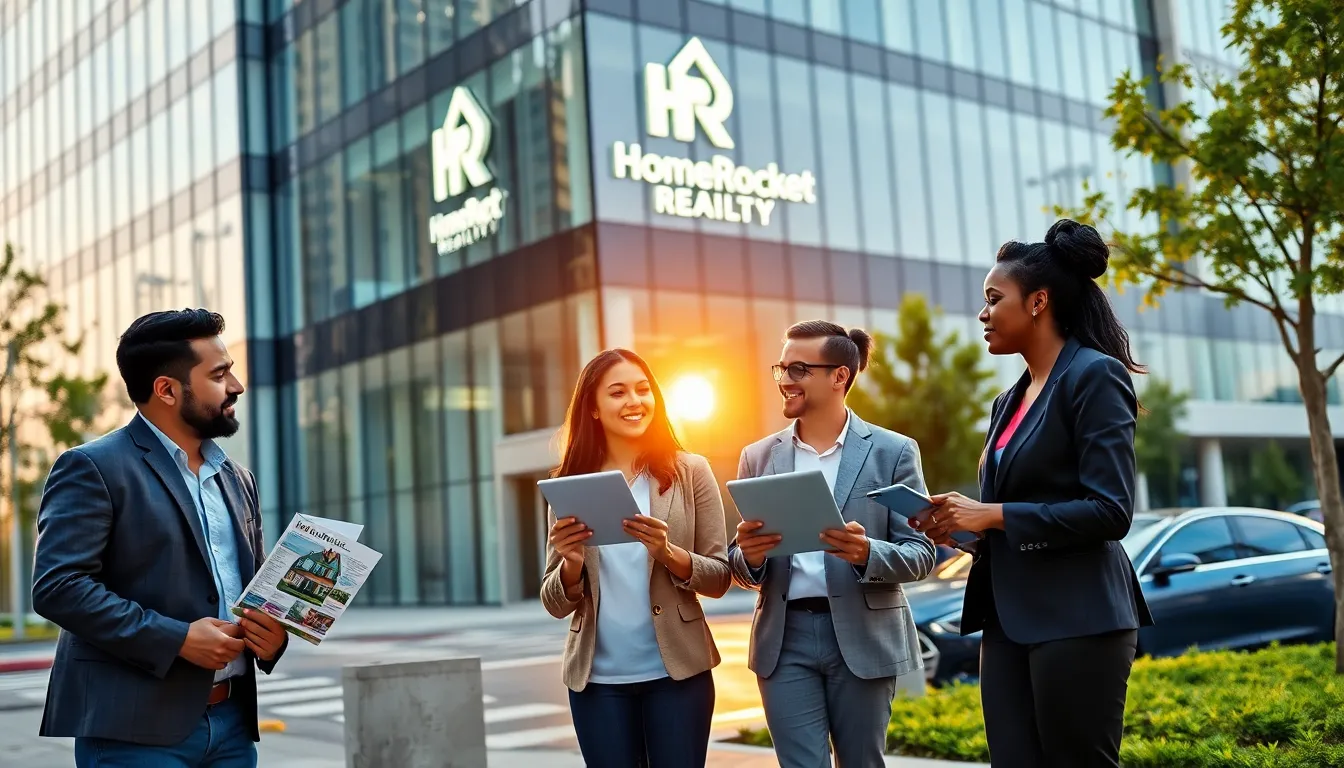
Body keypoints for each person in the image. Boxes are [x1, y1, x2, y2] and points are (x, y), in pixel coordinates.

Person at [916, 219, 1153, 768]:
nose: (983, 313)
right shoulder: (1008, 401)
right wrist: (958, 527)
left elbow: (1110, 510)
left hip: (1078, 617)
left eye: (994, 299)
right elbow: (1008, 520)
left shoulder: (1095, 376)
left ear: (1039, 301)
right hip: (1006, 619)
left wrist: (992, 514)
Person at [32, 310, 288, 768]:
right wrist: (177, 639)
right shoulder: (92, 467)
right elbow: (59, 587)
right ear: (167, 389)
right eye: (219, 374)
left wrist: (271, 637)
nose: (236, 386)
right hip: (133, 733)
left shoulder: (237, 478)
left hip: (232, 726)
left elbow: (249, 590)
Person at [728, 321, 937, 768]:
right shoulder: (758, 457)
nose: (785, 380)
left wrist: (868, 554)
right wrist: (750, 556)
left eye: (799, 369)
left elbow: (922, 553)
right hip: (784, 640)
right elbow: (739, 562)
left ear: (840, 376)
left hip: (865, 635)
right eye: (781, 368)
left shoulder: (892, 451)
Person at [540, 348, 732, 768]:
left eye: (643, 390)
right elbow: (554, 602)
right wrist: (571, 563)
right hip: (597, 681)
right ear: (593, 407)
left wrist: (668, 553)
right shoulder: (569, 484)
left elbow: (720, 577)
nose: (635, 401)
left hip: (678, 676)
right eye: (618, 392)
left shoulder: (690, 471)